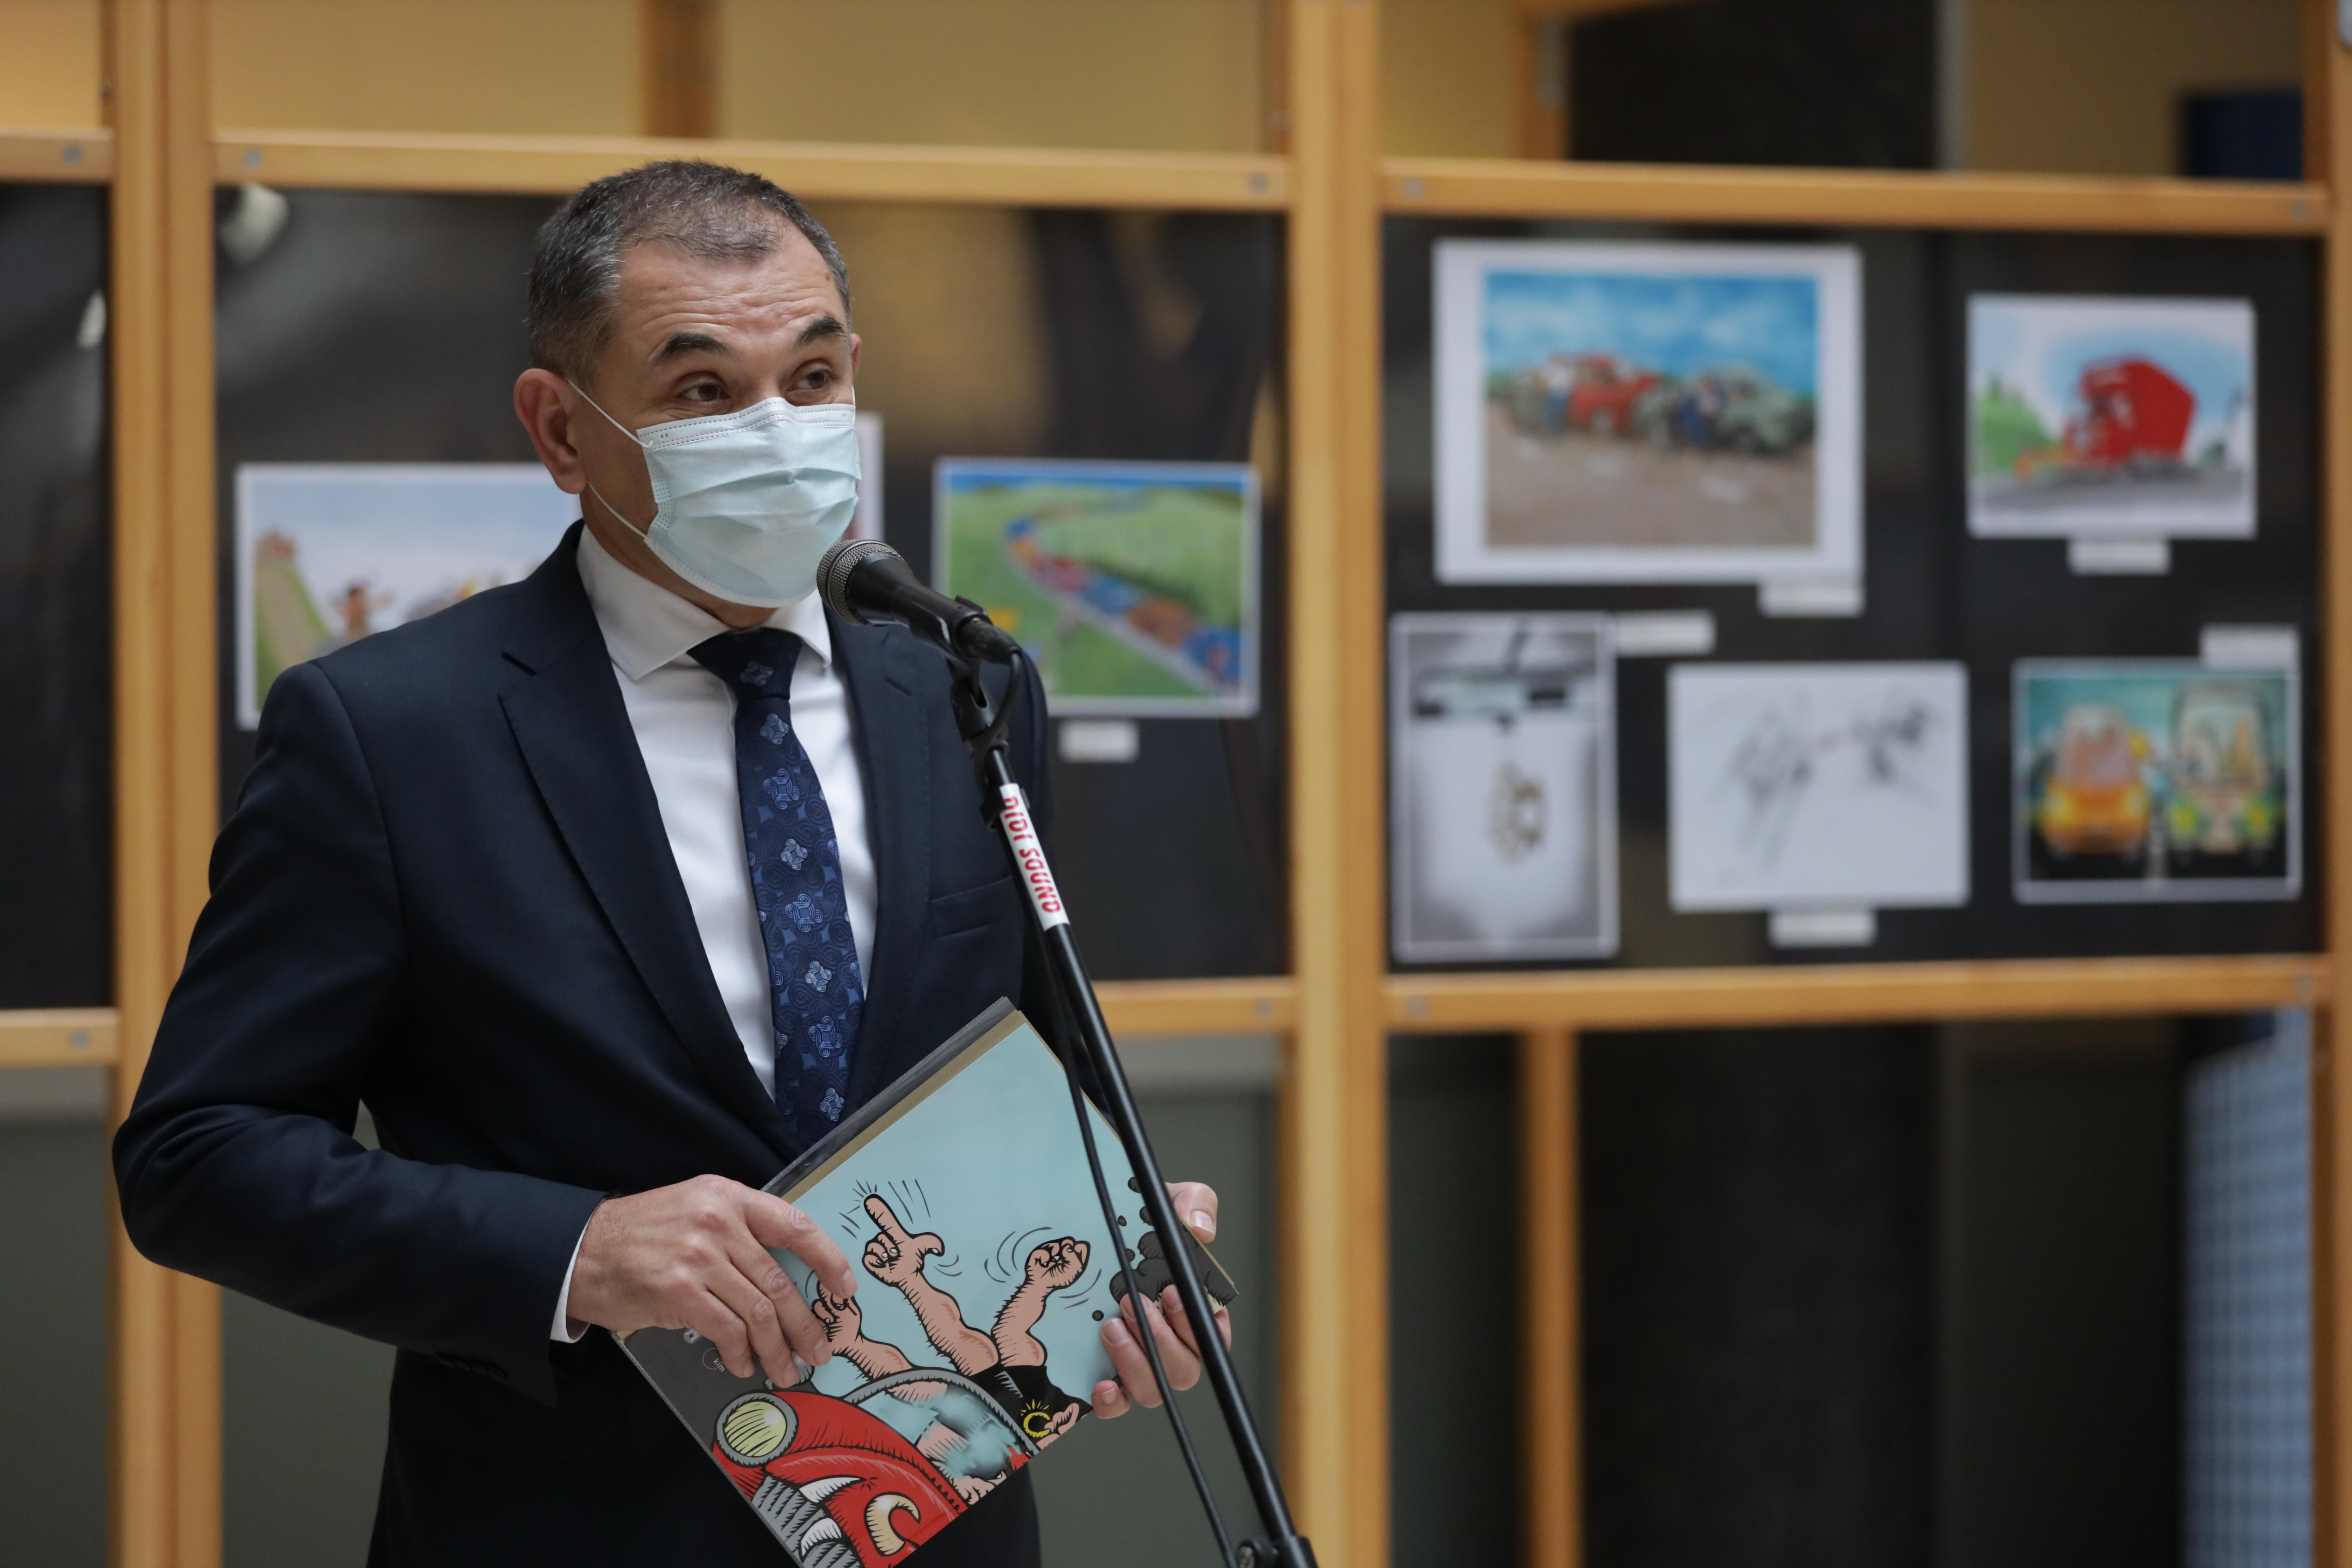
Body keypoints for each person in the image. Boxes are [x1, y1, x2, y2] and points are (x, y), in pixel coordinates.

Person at [113, 160, 1230, 1567]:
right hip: (569, 1525)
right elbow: (198, 1155)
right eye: (703, 389)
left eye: (812, 378)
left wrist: (1130, 1239)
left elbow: (1038, 1058)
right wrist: (576, 1251)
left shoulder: (964, 685)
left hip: (939, 1507)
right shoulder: (391, 733)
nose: (776, 431)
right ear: (559, 429)